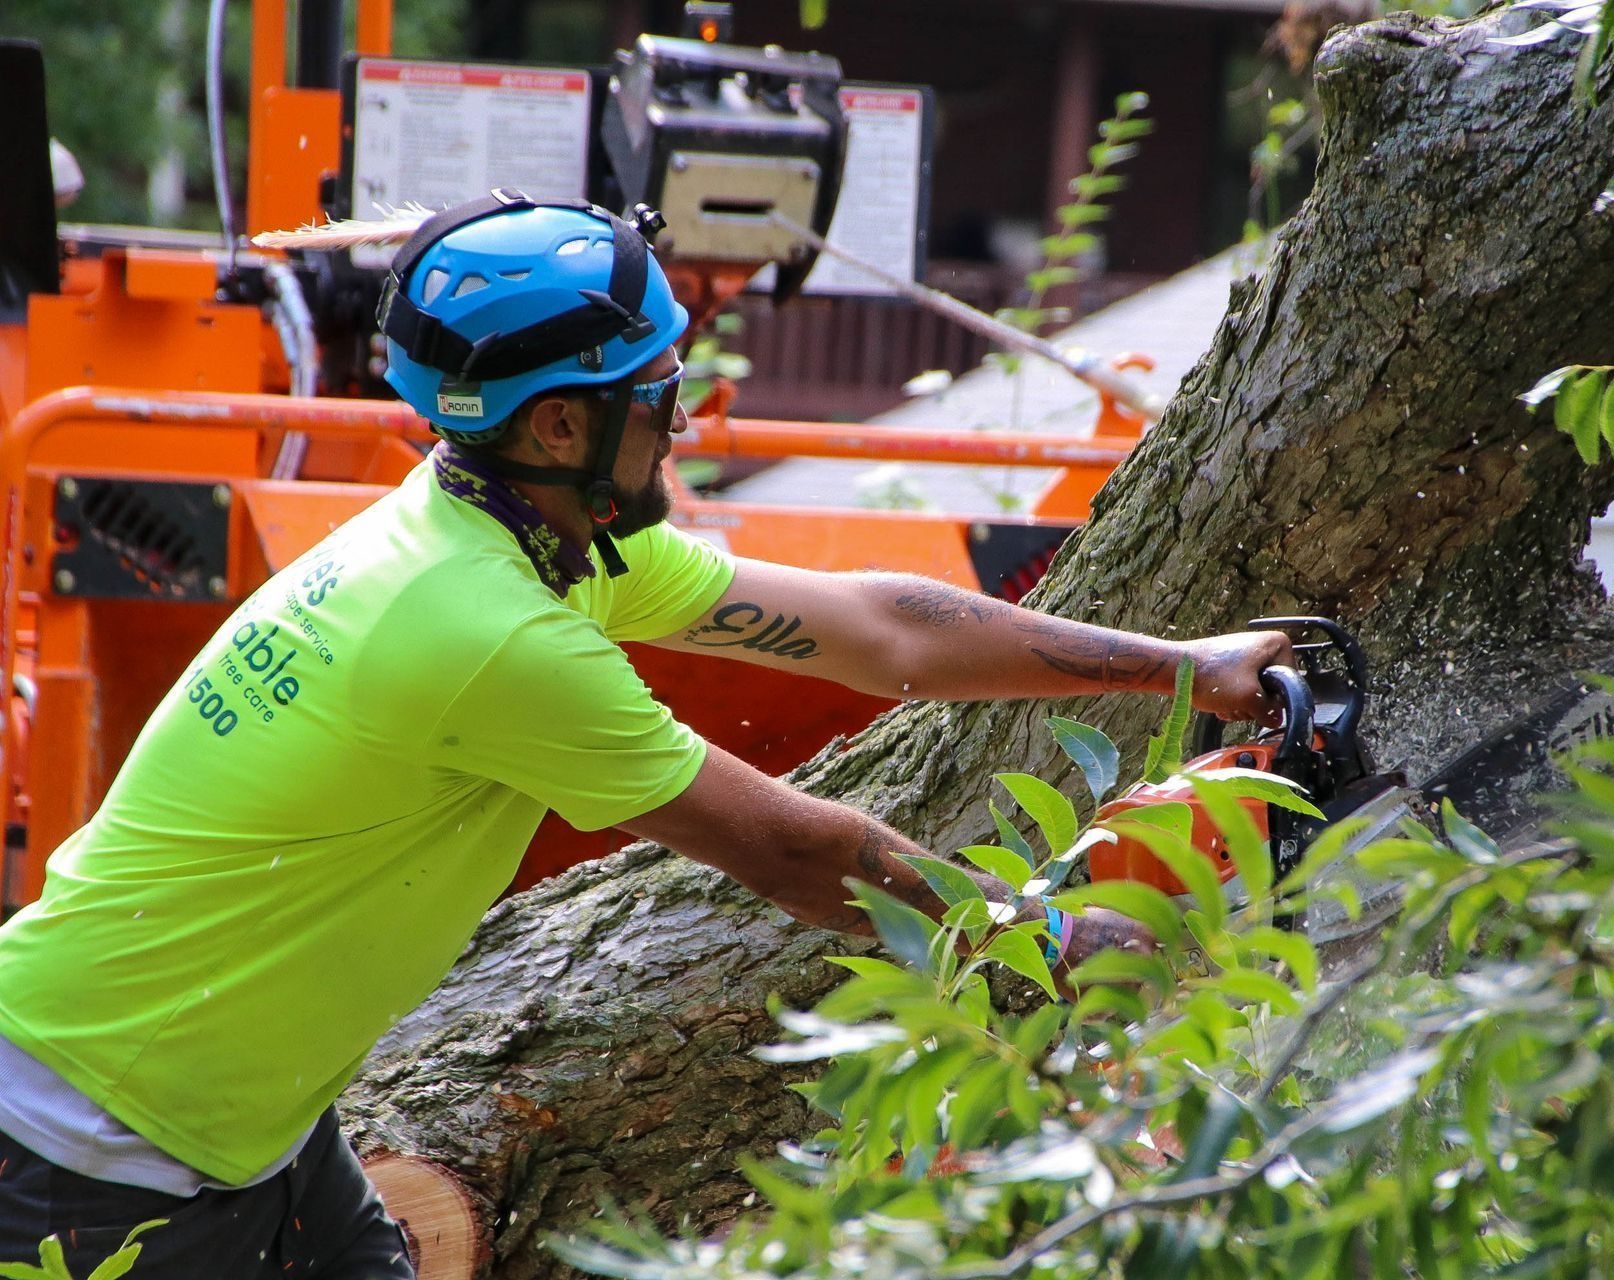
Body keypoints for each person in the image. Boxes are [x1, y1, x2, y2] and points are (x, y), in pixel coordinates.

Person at [0, 192, 1294, 1278]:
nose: (681, 418)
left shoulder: (515, 535)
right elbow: (796, 851)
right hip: (85, 1149)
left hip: (235, 1128)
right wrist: (1039, 944)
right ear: (560, 425)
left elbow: (875, 630)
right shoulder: (488, 630)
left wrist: (1182, 669)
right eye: (658, 391)